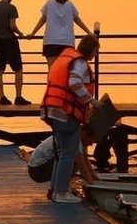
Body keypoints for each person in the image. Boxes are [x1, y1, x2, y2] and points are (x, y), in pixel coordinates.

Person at [41, 33, 101, 204]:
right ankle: (61, 192)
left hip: (52, 109)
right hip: (65, 112)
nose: (95, 56)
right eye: (96, 52)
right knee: (69, 152)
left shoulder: (65, 57)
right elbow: (75, 83)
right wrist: (92, 101)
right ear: (91, 50)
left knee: (61, 152)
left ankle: (54, 189)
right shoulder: (79, 63)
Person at [27, 0, 95, 67]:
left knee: (52, 70)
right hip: (67, 42)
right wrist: (89, 32)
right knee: (66, 69)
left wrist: (33, 33)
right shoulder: (70, 5)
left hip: (51, 41)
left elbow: (43, 19)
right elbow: (77, 20)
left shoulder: (49, 3)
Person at [27, 126, 99, 200]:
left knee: (72, 158)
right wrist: (93, 187)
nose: (91, 144)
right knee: (72, 161)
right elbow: (82, 167)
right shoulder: (74, 141)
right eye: (91, 141)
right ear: (84, 134)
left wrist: (96, 180)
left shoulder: (73, 137)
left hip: (36, 167)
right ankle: (61, 191)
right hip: (38, 170)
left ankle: (56, 189)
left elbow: (86, 161)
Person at [0, 0, 29, 106]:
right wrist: (20, 33)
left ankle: (2, 97)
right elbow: (12, 26)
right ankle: (18, 97)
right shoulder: (11, 8)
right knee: (18, 69)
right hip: (10, 42)